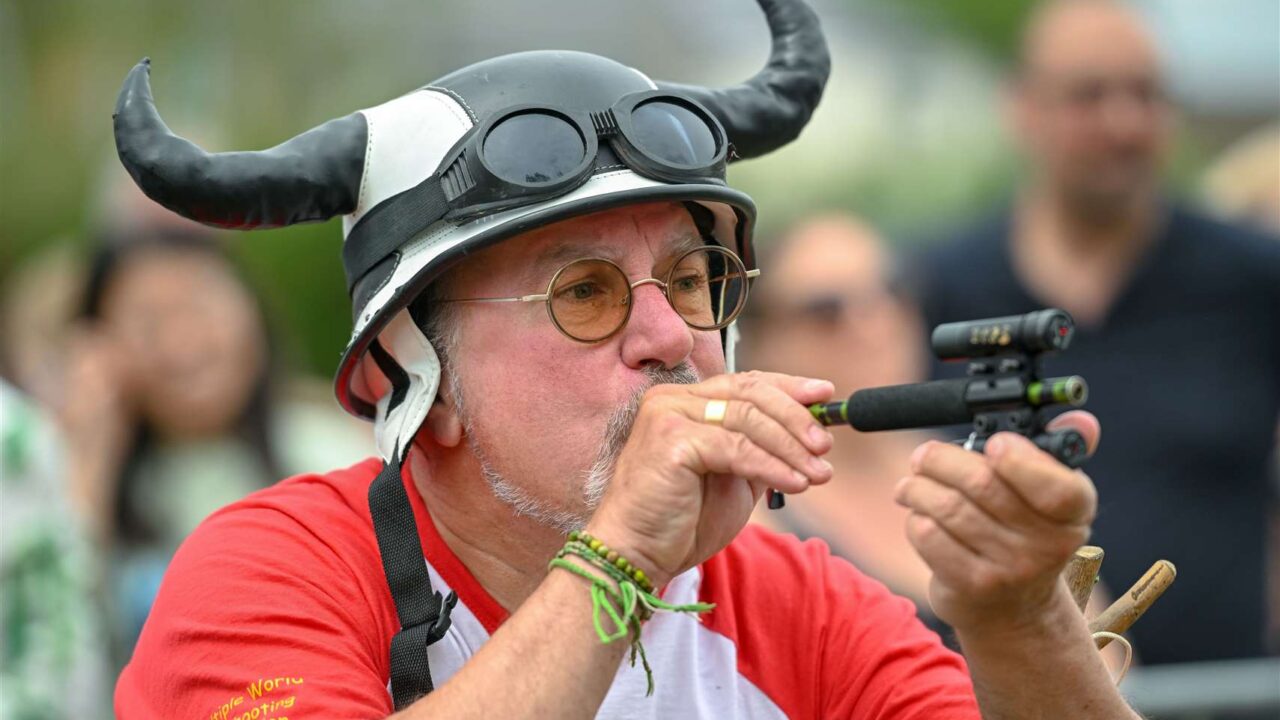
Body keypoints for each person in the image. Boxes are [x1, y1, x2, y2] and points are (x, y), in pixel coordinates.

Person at [113, 1, 1141, 717]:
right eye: (586, 295)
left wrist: (1021, 627)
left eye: (694, 282)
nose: (671, 339)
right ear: (409, 368)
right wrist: (621, 557)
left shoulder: (785, 593)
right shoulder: (270, 571)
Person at [911, 0, 1280, 665]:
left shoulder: (1254, 279)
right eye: (1089, 95)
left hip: (1227, 695)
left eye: (1145, 94)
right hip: (1004, 696)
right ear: (1022, 107)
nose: (1123, 122)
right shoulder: (938, 287)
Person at [66, 225, 373, 666]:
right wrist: (91, 453)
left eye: (200, 306)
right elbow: (58, 641)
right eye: (149, 322)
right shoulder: (91, 491)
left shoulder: (334, 446)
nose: (181, 341)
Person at [740, 215, 938, 626]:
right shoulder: (744, 521)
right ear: (759, 343)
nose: (874, 324)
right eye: (826, 310)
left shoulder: (980, 461)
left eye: (891, 292)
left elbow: (1096, 654)